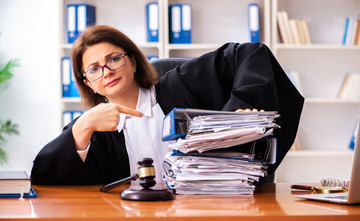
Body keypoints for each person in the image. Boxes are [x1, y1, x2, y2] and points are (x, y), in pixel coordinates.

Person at [30, 25, 304, 185]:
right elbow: (45, 177)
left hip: (213, 212)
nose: (107, 71)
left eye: (114, 59)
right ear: (88, 83)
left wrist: (237, 115)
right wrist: (84, 125)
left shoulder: (180, 84)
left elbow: (251, 53)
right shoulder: (94, 129)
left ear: (133, 61)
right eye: (93, 69)